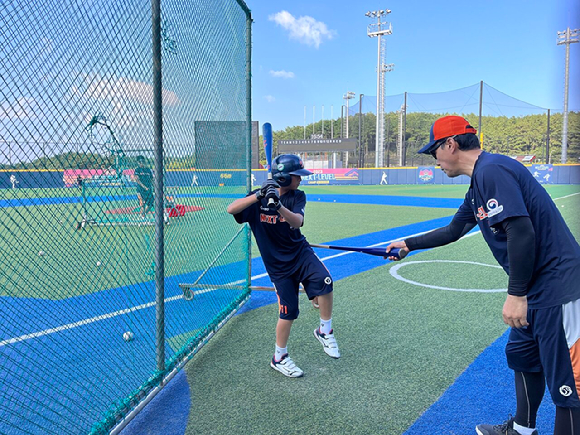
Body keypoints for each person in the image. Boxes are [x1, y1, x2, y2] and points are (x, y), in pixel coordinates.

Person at [385, 116, 580, 435]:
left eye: (434, 151)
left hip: (559, 290)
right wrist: (408, 243)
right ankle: (521, 430)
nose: (434, 161)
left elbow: (521, 230)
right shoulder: (480, 182)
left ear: (450, 144)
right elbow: (454, 230)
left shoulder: (492, 170)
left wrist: (516, 295)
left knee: (568, 390)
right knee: (522, 355)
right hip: (537, 290)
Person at [227, 154, 340, 378]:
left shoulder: (298, 196)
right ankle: (279, 357)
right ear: (284, 178)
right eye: (297, 176)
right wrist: (259, 195)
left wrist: (277, 205)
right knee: (288, 312)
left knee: (325, 282)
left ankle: (325, 331)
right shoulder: (257, 199)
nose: (301, 180)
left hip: (300, 253)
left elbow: (297, 221)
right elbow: (232, 209)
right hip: (278, 266)